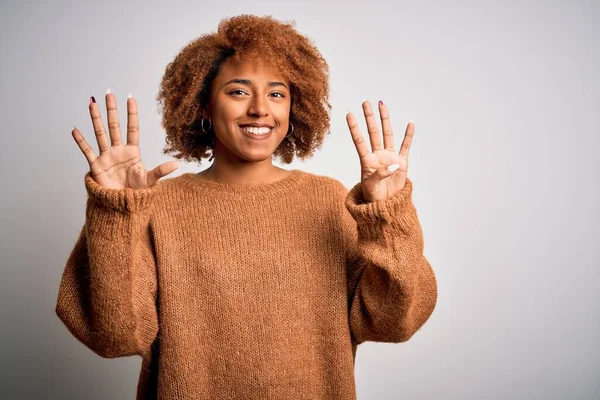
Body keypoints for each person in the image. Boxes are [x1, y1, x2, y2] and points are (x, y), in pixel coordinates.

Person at [55, 14, 437, 400]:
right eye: (238, 92)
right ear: (203, 105)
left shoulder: (327, 201)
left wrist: (387, 214)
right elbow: (114, 335)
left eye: (276, 93)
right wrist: (115, 213)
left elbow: (393, 322)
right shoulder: (157, 207)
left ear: (294, 107)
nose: (259, 109)